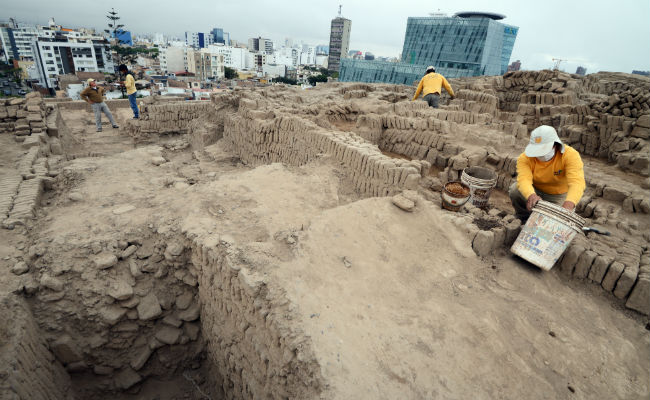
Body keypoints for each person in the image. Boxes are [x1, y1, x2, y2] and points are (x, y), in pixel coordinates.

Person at [509, 125, 586, 221]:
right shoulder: (524, 158)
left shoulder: (570, 155)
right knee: (515, 190)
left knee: (555, 220)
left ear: (554, 144)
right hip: (535, 190)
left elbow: (577, 182)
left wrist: (568, 205)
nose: (539, 154)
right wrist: (531, 195)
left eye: (543, 150)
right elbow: (523, 179)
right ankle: (523, 218)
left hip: (558, 196)